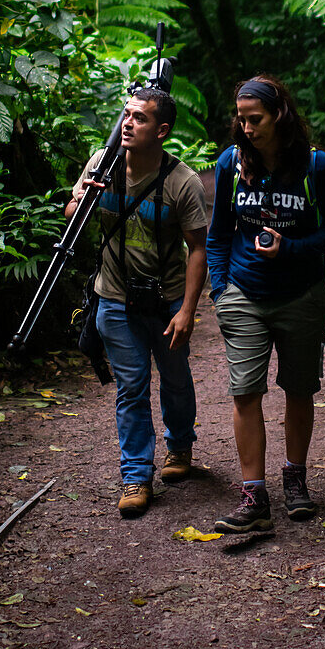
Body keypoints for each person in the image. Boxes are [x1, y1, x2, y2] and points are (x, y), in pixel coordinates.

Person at [206, 76, 325, 533]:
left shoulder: (315, 166)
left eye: (255, 119)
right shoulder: (231, 163)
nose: (246, 128)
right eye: (241, 119)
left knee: (299, 388)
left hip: (302, 296)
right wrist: (219, 289)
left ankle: (296, 480)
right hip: (244, 294)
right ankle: (254, 496)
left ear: (279, 116)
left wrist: (290, 249)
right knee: (245, 392)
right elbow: (219, 232)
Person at [66, 87, 208, 519]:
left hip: (165, 301)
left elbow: (199, 249)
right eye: (126, 115)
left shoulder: (182, 182)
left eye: (139, 118)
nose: (127, 123)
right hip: (113, 298)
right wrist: (82, 200)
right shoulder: (101, 162)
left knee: (176, 381)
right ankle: (135, 476)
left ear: (161, 130)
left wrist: (187, 310)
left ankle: (179, 447)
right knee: (131, 388)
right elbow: (72, 212)